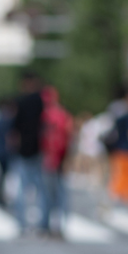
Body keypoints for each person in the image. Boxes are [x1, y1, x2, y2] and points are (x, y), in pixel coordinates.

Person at [9, 70, 47, 235]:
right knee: (41, 190)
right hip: (40, 149)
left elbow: (14, 129)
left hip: (24, 150)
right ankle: (43, 224)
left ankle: (22, 224)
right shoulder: (43, 101)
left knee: (22, 190)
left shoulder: (20, 101)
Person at [39, 85, 72, 238]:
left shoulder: (44, 115)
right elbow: (69, 138)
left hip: (49, 158)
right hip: (60, 157)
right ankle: (60, 225)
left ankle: (46, 225)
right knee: (60, 194)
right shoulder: (64, 115)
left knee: (48, 194)